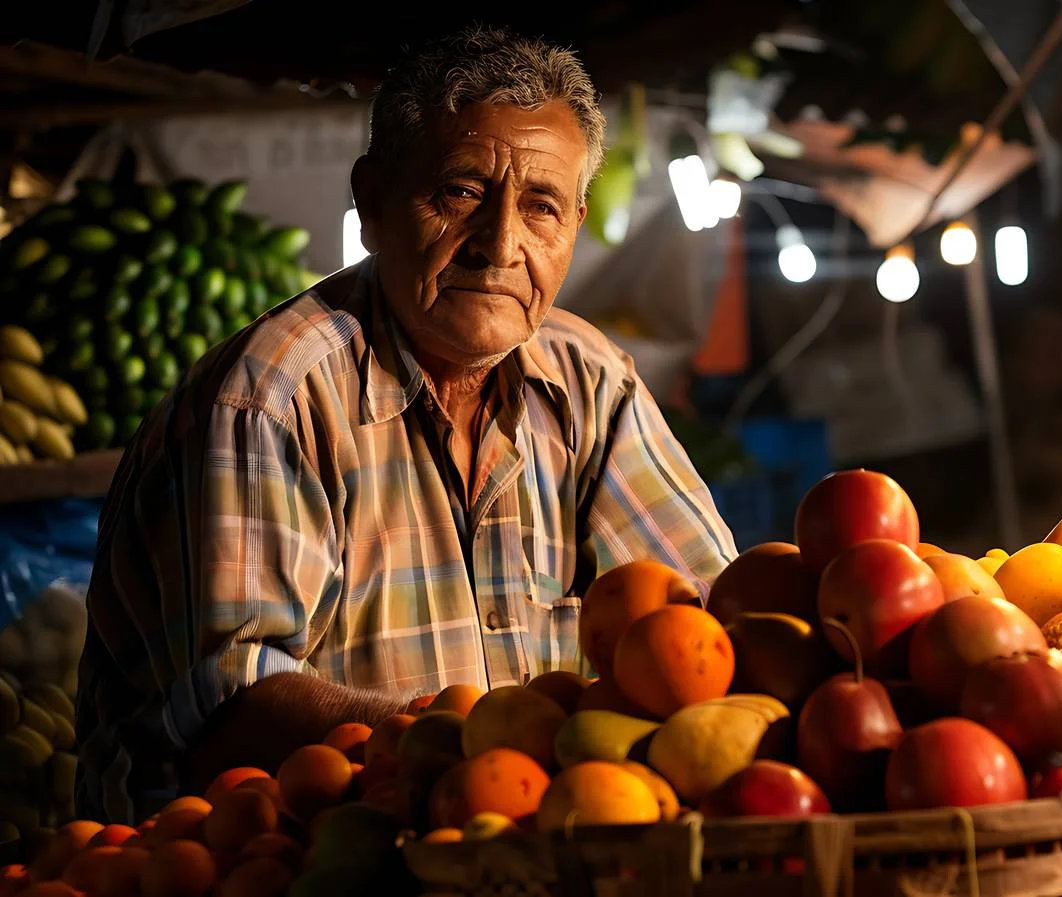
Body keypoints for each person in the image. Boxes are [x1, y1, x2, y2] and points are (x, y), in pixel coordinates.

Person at [75, 24, 738, 825]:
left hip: (506, 854)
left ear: (575, 223)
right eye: (461, 191)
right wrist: (486, 743)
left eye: (541, 207)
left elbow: (709, 624)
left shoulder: (590, 384)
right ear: (373, 201)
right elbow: (228, 710)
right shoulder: (272, 399)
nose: (500, 245)